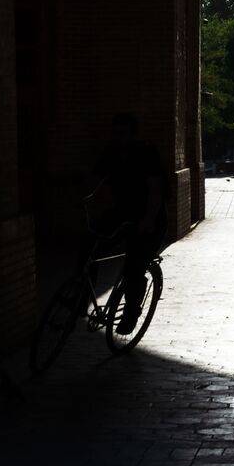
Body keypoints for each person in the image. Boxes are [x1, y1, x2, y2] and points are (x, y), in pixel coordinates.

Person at [89, 113, 168, 332]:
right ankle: (82, 292)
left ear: (133, 135)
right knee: (90, 244)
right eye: (115, 133)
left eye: (122, 134)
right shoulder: (111, 153)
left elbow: (155, 191)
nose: (118, 138)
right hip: (123, 214)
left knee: (134, 266)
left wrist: (149, 220)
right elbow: (94, 181)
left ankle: (131, 311)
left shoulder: (146, 154)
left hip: (149, 218)